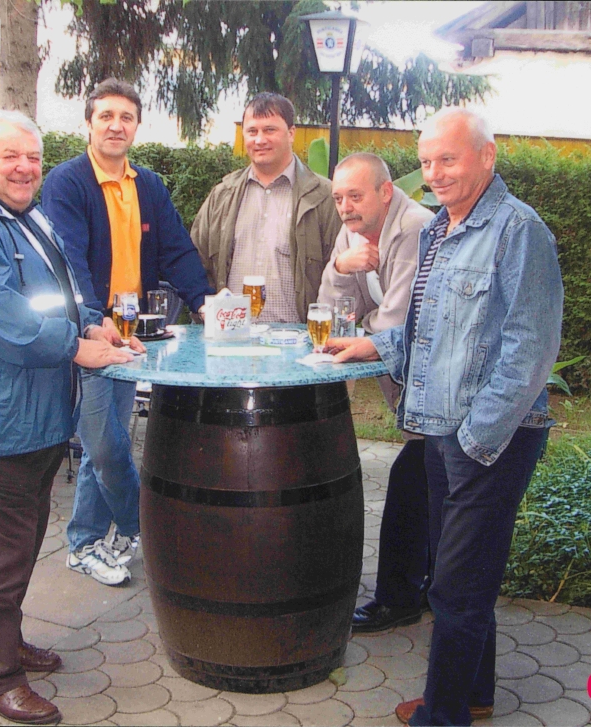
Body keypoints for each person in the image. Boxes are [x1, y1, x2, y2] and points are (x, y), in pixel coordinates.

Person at [328, 108, 563, 726]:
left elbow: (530, 351)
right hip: (435, 428)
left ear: (487, 156)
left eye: (448, 159)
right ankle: (475, 694)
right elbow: (422, 328)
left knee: (454, 587)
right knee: (466, 577)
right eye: (427, 161)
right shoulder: (437, 230)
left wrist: (474, 437)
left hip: (492, 437)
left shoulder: (519, 231)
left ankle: (446, 713)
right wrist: (374, 346)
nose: (434, 173)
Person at [0, 110, 137, 725]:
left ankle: (3, 643)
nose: (24, 168)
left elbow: (59, 292)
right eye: (8, 156)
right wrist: (78, 346)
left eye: (33, 158)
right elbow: (5, 321)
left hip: (34, 418)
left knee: (15, 548)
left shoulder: (22, 216)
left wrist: (92, 320)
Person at [41, 78, 214, 587]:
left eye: (126, 117)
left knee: (107, 439)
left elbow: (176, 250)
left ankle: (88, 540)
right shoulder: (66, 183)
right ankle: (148, 529)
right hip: (91, 337)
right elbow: (68, 260)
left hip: (134, 337)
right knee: (105, 445)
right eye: (106, 116)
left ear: (137, 127)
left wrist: (203, 301)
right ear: (89, 123)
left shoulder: (150, 186)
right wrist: (91, 324)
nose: (116, 125)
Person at [317, 152, 436, 633]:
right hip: (411, 391)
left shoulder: (414, 228)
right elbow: (330, 316)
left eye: (355, 195)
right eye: (339, 197)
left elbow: (393, 324)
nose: (345, 206)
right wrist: (342, 267)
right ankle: (419, 589)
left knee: (414, 482)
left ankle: (401, 597)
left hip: (438, 391)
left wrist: (363, 326)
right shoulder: (353, 231)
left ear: (385, 191)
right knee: (422, 483)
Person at [191, 92, 342, 323]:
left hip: (297, 342)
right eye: (252, 131)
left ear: (291, 133)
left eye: (270, 130)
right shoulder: (222, 195)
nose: (259, 140)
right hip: (232, 340)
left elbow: (341, 275)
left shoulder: (324, 197)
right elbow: (195, 261)